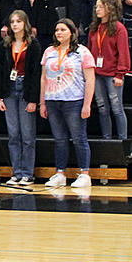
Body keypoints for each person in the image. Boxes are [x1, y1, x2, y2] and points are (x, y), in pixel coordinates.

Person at [40, 19, 95, 190]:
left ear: (72, 32)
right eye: (57, 30)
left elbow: (90, 79)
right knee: (59, 139)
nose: (59, 33)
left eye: (63, 29)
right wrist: (42, 102)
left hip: (74, 100)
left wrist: (87, 104)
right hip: (52, 100)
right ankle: (60, 173)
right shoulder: (49, 51)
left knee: (79, 138)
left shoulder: (82, 52)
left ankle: (85, 174)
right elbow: (43, 78)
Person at [0, 11, 41, 186]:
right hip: (9, 90)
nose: (15, 24)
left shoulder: (33, 45)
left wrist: (33, 99)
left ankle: (28, 173)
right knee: (13, 134)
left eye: (18, 21)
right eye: (12, 21)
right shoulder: (4, 45)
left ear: (25, 24)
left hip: (25, 89)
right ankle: (17, 172)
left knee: (27, 135)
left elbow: (36, 73)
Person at [88, 0, 130, 141]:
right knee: (102, 108)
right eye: (96, 7)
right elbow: (90, 50)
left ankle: (122, 140)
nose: (97, 9)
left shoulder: (119, 28)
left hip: (113, 74)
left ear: (109, 9)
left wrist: (120, 74)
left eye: (101, 6)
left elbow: (123, 53)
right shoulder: (94, 28)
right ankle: (107, 139)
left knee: (117, 108)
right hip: (97, 74)